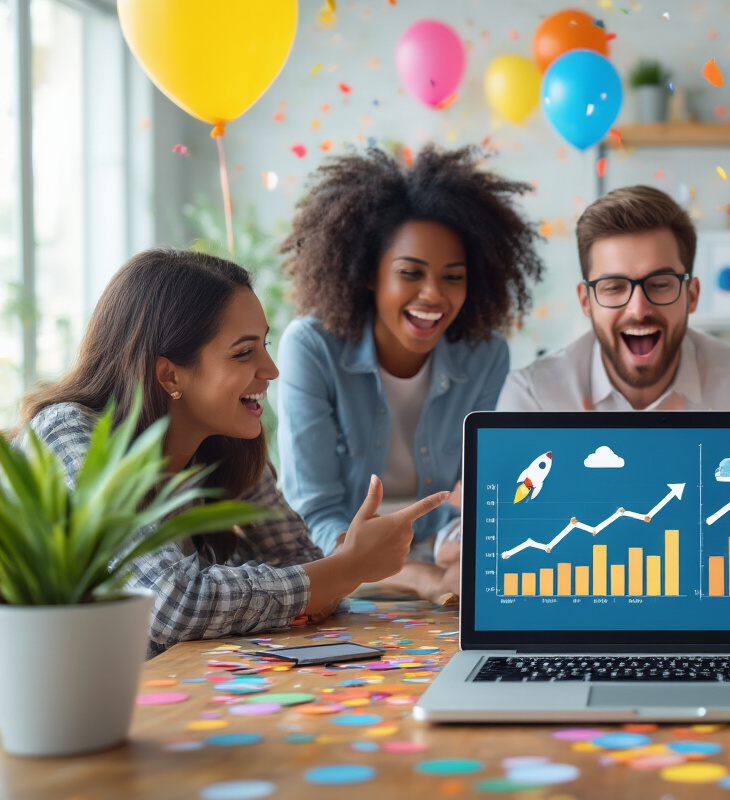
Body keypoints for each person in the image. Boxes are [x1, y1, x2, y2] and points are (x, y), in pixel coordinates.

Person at [20, 249, 447, 658]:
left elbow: (305, 568)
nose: (271, 370)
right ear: (170, 374)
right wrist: (347, 568)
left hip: (168, 692)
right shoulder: (69, 434)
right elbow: (170, 607)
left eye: (264, 344)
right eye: (244, 352)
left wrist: (327, 577)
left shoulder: (229, 442)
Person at [277, 145, 542, 602]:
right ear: (368, 274)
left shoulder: (486, 356)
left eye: (453, 277)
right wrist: (423, 579)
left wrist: (457, 546)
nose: (433, 295)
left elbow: (473, 498)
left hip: (453, 578)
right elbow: (313, 520)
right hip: (337, 586)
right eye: (410, 273)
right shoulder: (311, 348)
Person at [497, 185, 730, 412]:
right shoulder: (534, 399)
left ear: (692, 296)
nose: (638, 309)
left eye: (660, 284)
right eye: (614, 287)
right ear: (586, 301)